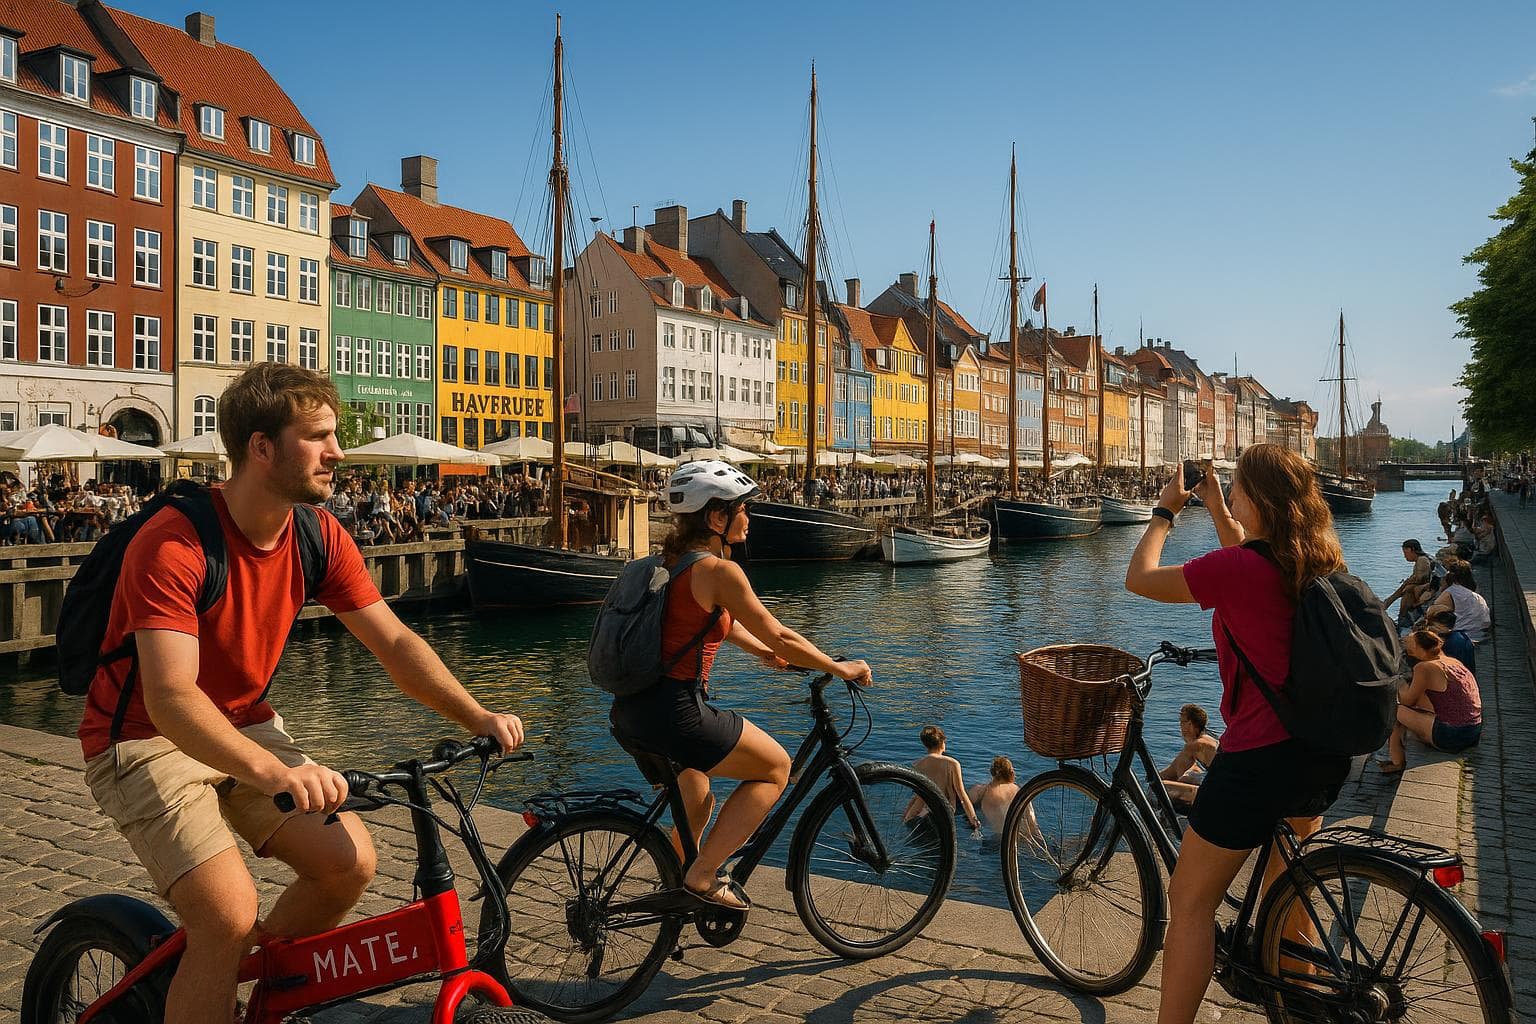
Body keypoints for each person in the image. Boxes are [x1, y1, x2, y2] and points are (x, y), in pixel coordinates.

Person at [77, 363, 526, 1024]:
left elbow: (397, 646)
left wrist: (478, 714)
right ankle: (218, 959)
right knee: (226, 915)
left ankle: (255, 990)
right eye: (318, 436)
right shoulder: (174, 543)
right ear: (261, 448)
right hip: (145, 739)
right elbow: (171, 697)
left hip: (243, 724)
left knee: (348, 864)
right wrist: (277, 770)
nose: (338, 452)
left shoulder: (317, 533)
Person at [1124, 444, 1353, 1024]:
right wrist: (1216, 505)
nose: (1232, 495)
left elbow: (1140, 578)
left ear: (1255, 498)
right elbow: (1245, 558)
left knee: (1190, 900)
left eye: (1238, 488)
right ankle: (1302, 1003)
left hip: (1259, 760)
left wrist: (1164, 513)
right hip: (1321, 750)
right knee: (1288, 896)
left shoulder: (1238, 572)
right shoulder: (1314, 557)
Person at [608, 460, 870, 910]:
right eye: (742, 509)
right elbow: (781, 632)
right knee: (776, 769)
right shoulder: (719, 571)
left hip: (632, 711)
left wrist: (763, 654)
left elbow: (713, 624)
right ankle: (703, 876)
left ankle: (673, 893)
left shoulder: (664, 563)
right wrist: (840, 667)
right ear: (716, 517)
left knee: (698, 800)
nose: (749, 518)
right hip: (676, 713)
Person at [1379, 629, 1482, 774]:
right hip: (1473, 730)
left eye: (1410, 649)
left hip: (1452, 736)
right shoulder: (1452, 661)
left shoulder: (1425, 667)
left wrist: (1398, 679)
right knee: (1421, 700)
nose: (1408, 653)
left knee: (1395, 710)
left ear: (1421, 649)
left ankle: (1397, 762)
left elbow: (1407, 700)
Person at [909, 725, 982, 833]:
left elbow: (918, 796)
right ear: (942, 742)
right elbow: (962, 795)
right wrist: (973, 819)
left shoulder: (916, 764)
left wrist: (906, 815)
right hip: (942, 813)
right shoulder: (952, 763)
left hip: (918, 814)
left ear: (925, 744)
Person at [1159, 703, 1220, 811]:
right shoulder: (1209, 739)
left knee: (1160, 788)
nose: (1180, 726)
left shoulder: (1195, 745)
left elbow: (1171, 772)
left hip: (1219, 791)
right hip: (1222, 784)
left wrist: (1152, 780)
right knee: (1188, 776)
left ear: (1190, 724)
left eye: (1182, 722)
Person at [1427, 562, 1490, 642]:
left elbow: (1430, 614)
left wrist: (1440, 590)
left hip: (1465, 634)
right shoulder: (1474, 594)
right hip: (1480, 632)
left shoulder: (1450, 592)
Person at [965, 755, 1019, 833]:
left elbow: (965, 803)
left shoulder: (979, 791)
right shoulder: (1018, 790)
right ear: (1010, 773)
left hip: (994, 837)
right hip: (1016, 835)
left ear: (992, 771)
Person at [1382, 539, 1434, 614]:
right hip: (1422, 587)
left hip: (1424, 589)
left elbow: (1420, 579)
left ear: (1412, 549)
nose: (1405, 556)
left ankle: (1392, 606)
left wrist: (1407, 582)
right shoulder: (1421, 560)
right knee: (1406, 587)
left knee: (1407, 589)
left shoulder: (1422, 560)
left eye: (1405, 553)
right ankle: (1388, 603)